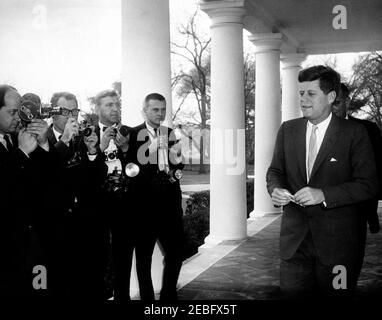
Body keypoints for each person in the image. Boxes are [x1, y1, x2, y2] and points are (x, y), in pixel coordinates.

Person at [266, 66, 378, 299]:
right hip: (294, 244)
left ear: (331, 97)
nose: (303, 100)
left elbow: (369, 185)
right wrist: (275, 189)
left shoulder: (355, 133)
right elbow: (275, 171)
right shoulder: (288, 130)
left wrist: (324, 195)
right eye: (301, 93)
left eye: (310, 94)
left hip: (339, 246)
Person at [46, 91, 108, 299]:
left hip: (85, 225)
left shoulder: (82, 138)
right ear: (53, 113)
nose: (72, 116)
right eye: (66, 111)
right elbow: (45, 176)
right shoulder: (40, 138)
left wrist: (92, 152)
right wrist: (63, 142)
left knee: (88, 284)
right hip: (56, 226)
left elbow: (97, 178)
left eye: (75, 110)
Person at [0, 85, 58, 297]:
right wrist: (22, 153)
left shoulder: (16, 138)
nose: (18, 118)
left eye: (19, 111)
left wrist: (43, 144)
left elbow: (47, 177)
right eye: (12, 112)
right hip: (7, 245)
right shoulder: (19, 145)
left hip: (32, 240)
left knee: (37, 289)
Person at [128, 93, 185, 301]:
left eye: (163, 109)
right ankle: (147, 301)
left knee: (176, 254)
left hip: (170, 207)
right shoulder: (133, 135)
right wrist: (150, 150)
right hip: (144, 209)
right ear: (145, 110)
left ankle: (169, 296)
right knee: (143, 259)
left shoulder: (170, 133)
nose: (160, 114)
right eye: (155, 109)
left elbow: (177, 167)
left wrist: (178, 158)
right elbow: (131, 170)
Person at [91, 89, 132, 301]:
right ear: (97, 109)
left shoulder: (129, 133)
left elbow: (137, 170)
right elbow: (83, 171)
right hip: (97, 204)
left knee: (123, 255)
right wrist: (100, 147)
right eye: (109, 105)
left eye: (117, 104)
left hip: (122, 203)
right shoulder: (85, 134)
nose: (115, 108)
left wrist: (125, 150)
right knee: (98, 256)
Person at [333, 83, 381, 233]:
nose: (331, 108)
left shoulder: (369, 130)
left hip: (358, 209)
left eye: (336, 103)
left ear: (346, 102)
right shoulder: (311, 132)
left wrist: (371, 212)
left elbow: (377, 170)